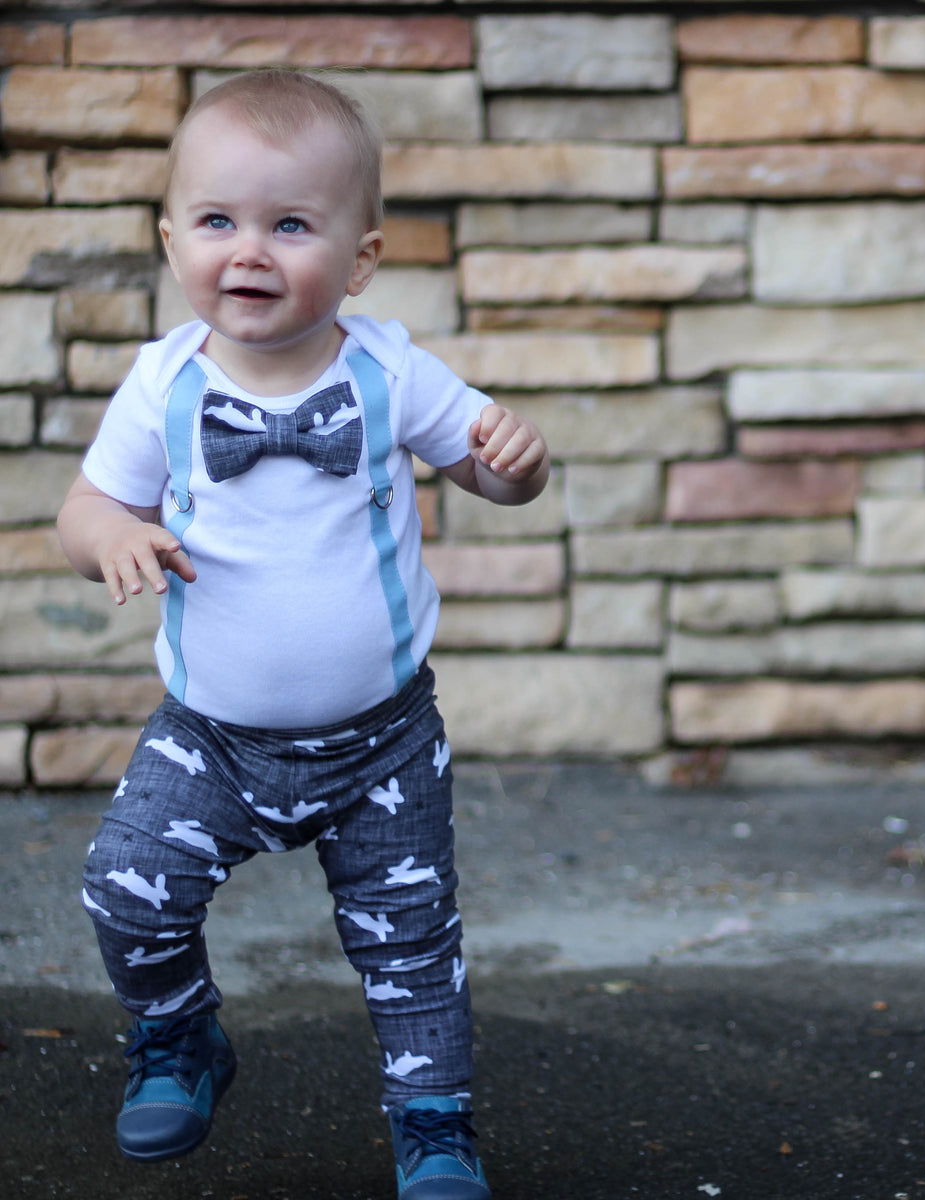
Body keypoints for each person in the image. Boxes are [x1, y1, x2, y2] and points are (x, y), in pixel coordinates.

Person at [56, 68, 548, 1200]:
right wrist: (109, 542)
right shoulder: (164, 386)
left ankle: (434, 1123)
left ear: (360, 258)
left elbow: (482, 468)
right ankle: (181, 1039)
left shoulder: (386, 371)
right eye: (219, 222)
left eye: (290, 225)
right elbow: (83, 512)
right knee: (128, 886)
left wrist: (515, 467)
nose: (250, 252)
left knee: (411, 938)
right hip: (210, 738)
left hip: (380, 741)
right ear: (170, 237)